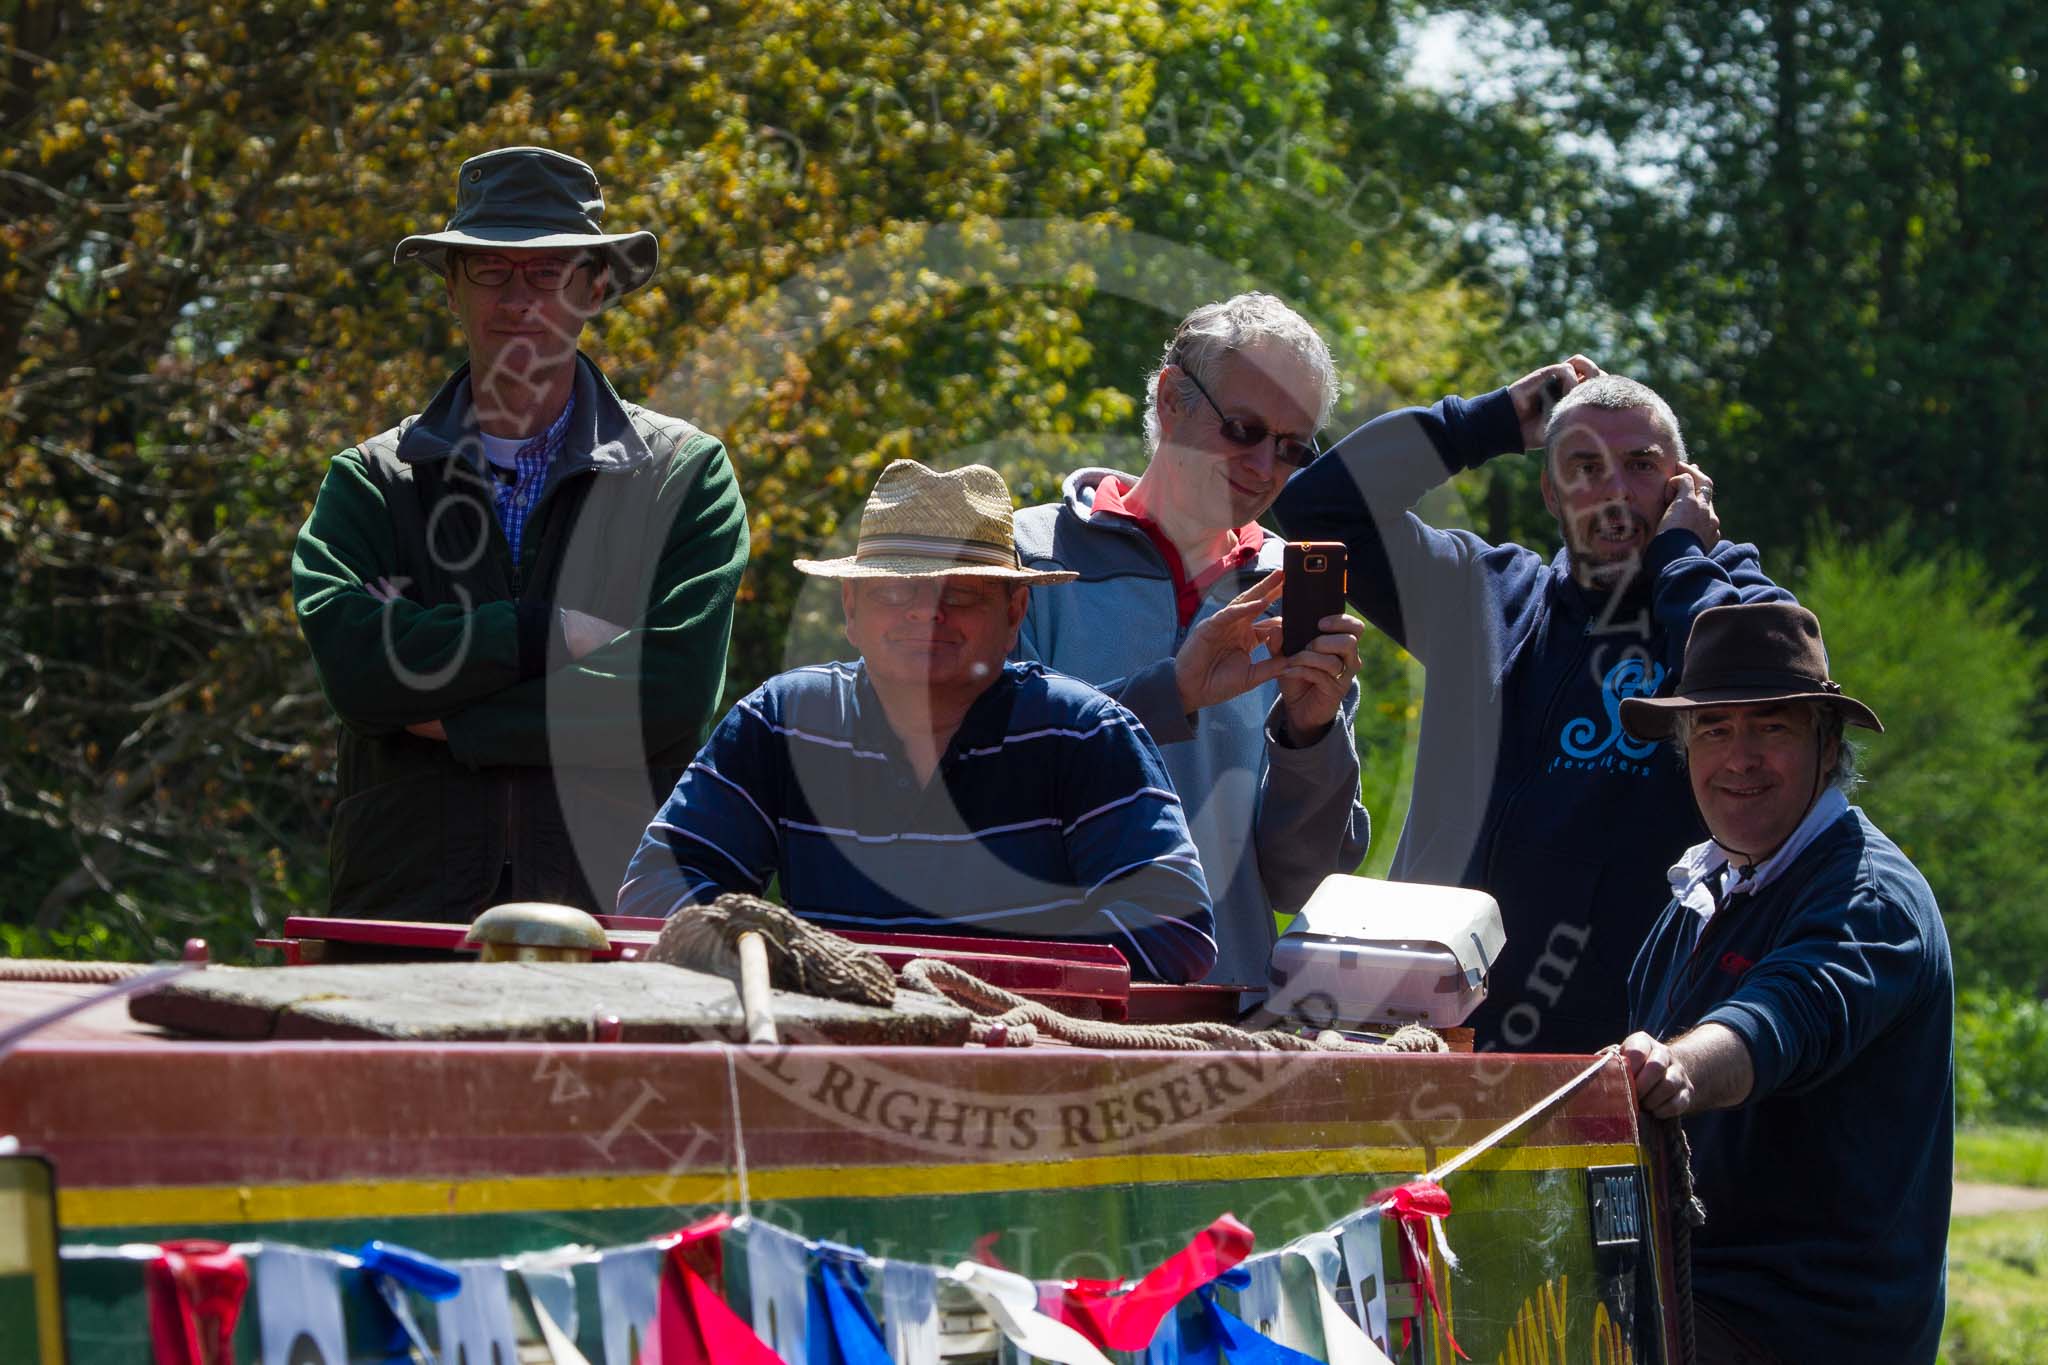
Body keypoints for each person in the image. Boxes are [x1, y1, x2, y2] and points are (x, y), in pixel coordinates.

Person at [1272, 362, 1791, 1052]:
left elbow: (1758, 685)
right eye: (1584, 467)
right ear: (1549, 489)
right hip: (1426, 1042)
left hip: (1619, 1061)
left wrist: (1682, 559)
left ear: (1684, 486)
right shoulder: (1479, 595)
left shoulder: (1720, 609)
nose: (1613, 493)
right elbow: (1317, 506)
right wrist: (1483, 422)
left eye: (1640, 466)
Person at [293, 146, 748, 920]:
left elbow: (665, 697)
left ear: (595, 287)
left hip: (615, 913)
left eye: (547, 273)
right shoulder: (371, 479)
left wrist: (451, 717)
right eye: (490, 271)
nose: (519, 299)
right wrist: (546, 633)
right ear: (451, 290)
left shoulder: (683, 476)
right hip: (404, 920)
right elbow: (358, 671)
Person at [619, 460, 1218, 983]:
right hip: (827, 1060)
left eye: (958, 595)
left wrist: (972, 987)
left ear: (1014, 612)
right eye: (894, 592)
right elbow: (658, 886)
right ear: (851, 610)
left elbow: (1174, 926)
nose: (924, 615)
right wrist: (800, 971)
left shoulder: (1084, 733)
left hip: (1023, 1077)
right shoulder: (783, 722)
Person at [1617, 602, 1951, 1364]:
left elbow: (1780, 1019)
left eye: (1771, 727)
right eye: (1715, 728)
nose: (1740, 757)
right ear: (1686, 748)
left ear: (1826, 747)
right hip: (1693, 1299)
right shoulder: (1697, 898)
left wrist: (1677, 1067)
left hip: (1805, 1328)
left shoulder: (1867, 895)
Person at [1013, 294, 1369, 987]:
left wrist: (1310, 740)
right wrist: (1168, 694)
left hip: (1222, 1023)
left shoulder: (1295, 593)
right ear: (1173, 397)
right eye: (1244, 428)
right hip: (1041, 1007)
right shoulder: (1025, 558)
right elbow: (985, 787)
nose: (1265, 466)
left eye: (1294, 448)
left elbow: (1299, 883)